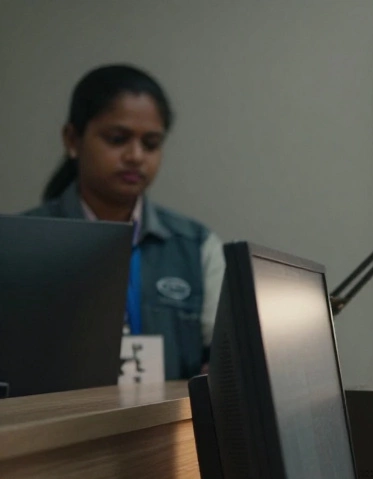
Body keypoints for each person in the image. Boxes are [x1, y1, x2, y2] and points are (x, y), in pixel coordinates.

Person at [25, 64, 224, 380]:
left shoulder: (197, 247)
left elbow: (223, 357)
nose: (135, 156)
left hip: (171, 414)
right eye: (117, 139)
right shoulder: (20, 242)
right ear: (73, 140)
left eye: (151, 144)